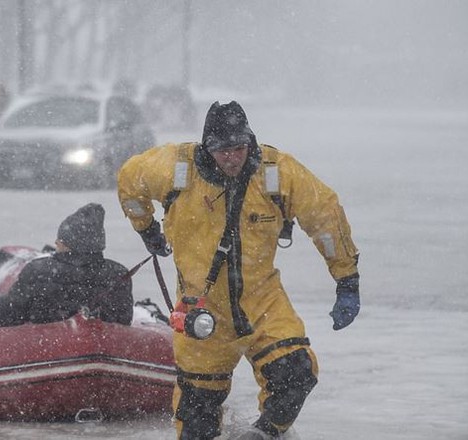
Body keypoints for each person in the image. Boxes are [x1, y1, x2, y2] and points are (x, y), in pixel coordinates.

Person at [117, 101, 360, 440]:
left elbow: (325, 218)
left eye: (238, 148)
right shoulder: (173, 169)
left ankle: (264, 433)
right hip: (202, 312)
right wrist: (146, 229)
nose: (232, 158)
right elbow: (129, 182)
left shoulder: (277, 174)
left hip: (263, 302)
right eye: (222, 151)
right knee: (195, 420)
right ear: (207, 148)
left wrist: (346, 279)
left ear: (250, 143)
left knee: (297, 374)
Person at [0, 203, 134, 328]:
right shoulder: (118, 274)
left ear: (66, 243)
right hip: (105, 349)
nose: (56, 242)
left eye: (60, 239)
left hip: (43, 349)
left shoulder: (38, 271)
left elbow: (1, 318)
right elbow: (124, 320)